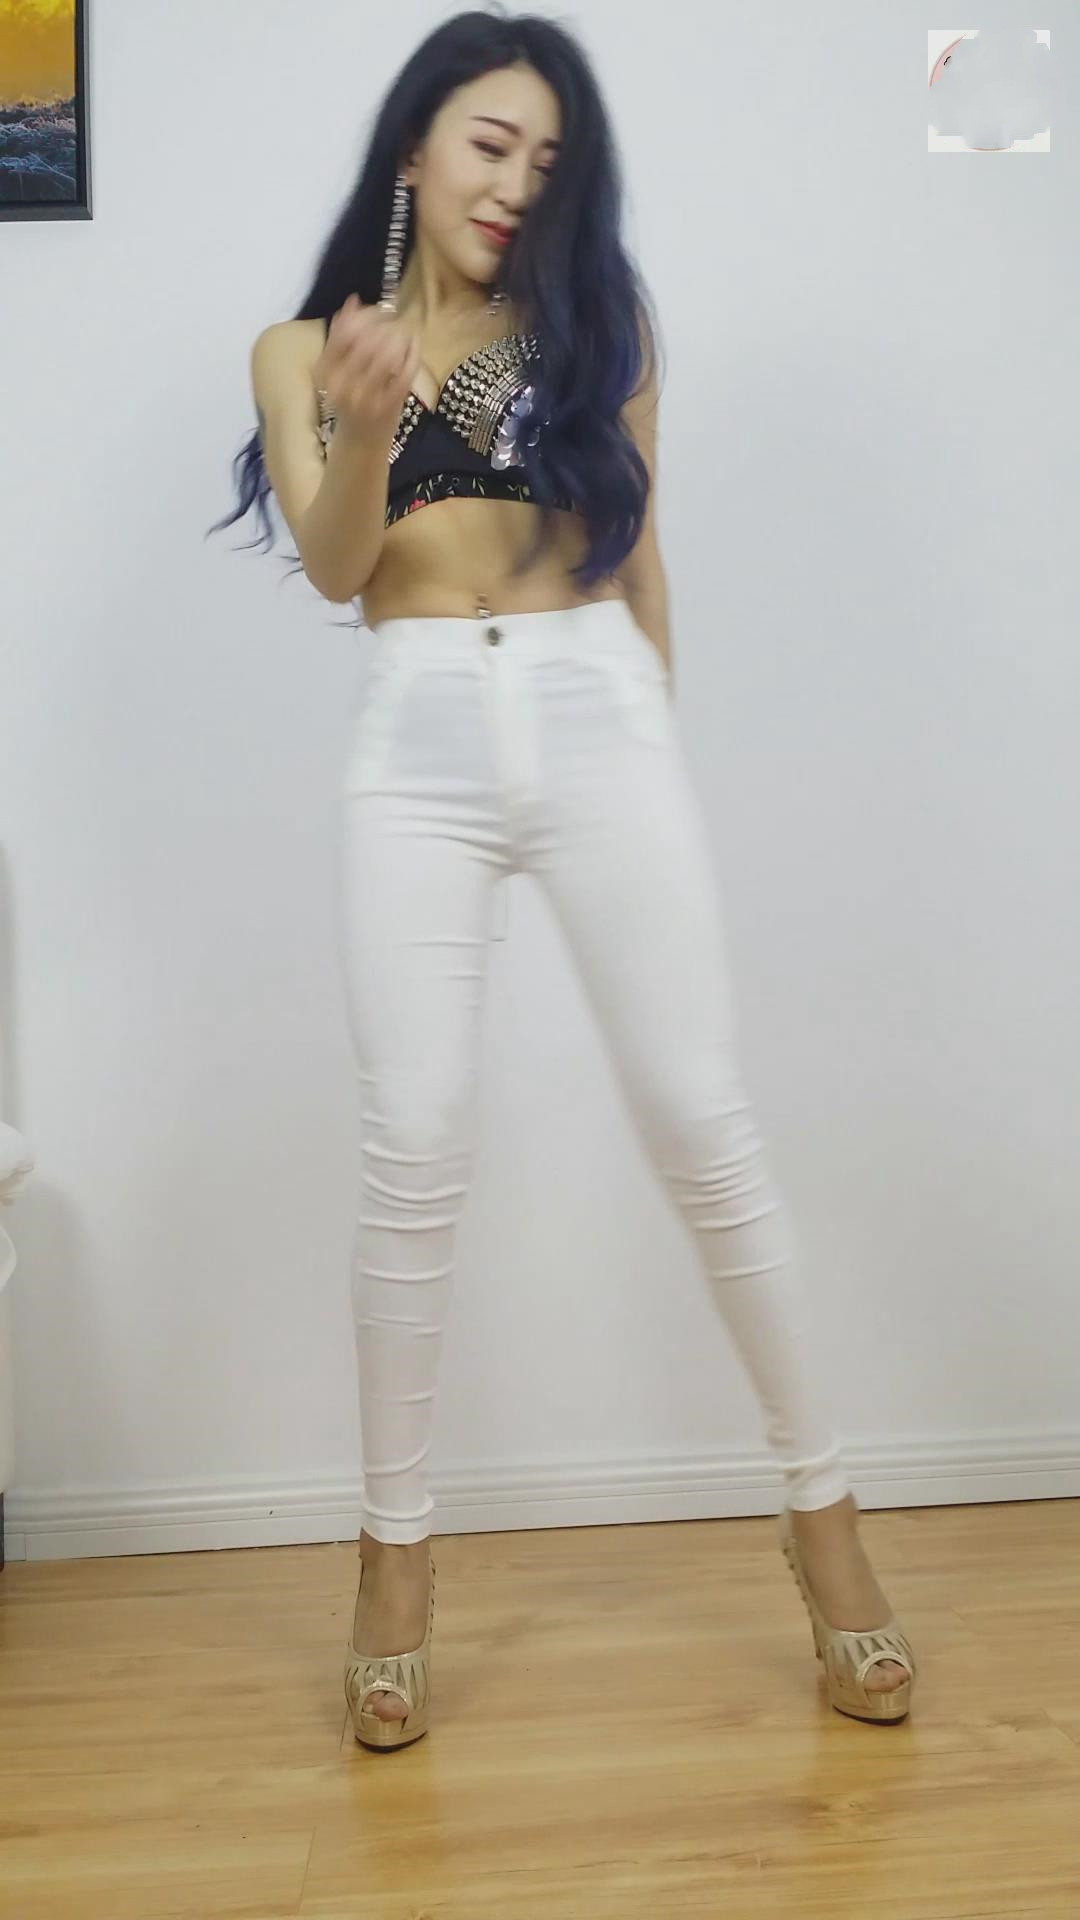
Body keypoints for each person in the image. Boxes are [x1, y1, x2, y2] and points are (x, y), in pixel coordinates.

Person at [216, 9, 916, 1750]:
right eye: (488, 144)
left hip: (596, 707)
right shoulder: (305, 349)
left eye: (546, 157)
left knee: (703, 1125)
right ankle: (393, 1562)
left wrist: (650, 740)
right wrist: (364, 423)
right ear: (414, 148)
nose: (517, 183)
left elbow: (643, 553)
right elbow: (338, 571)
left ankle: (825, 1519)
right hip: (417, 733)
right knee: (415, 1146)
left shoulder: (603, 324)